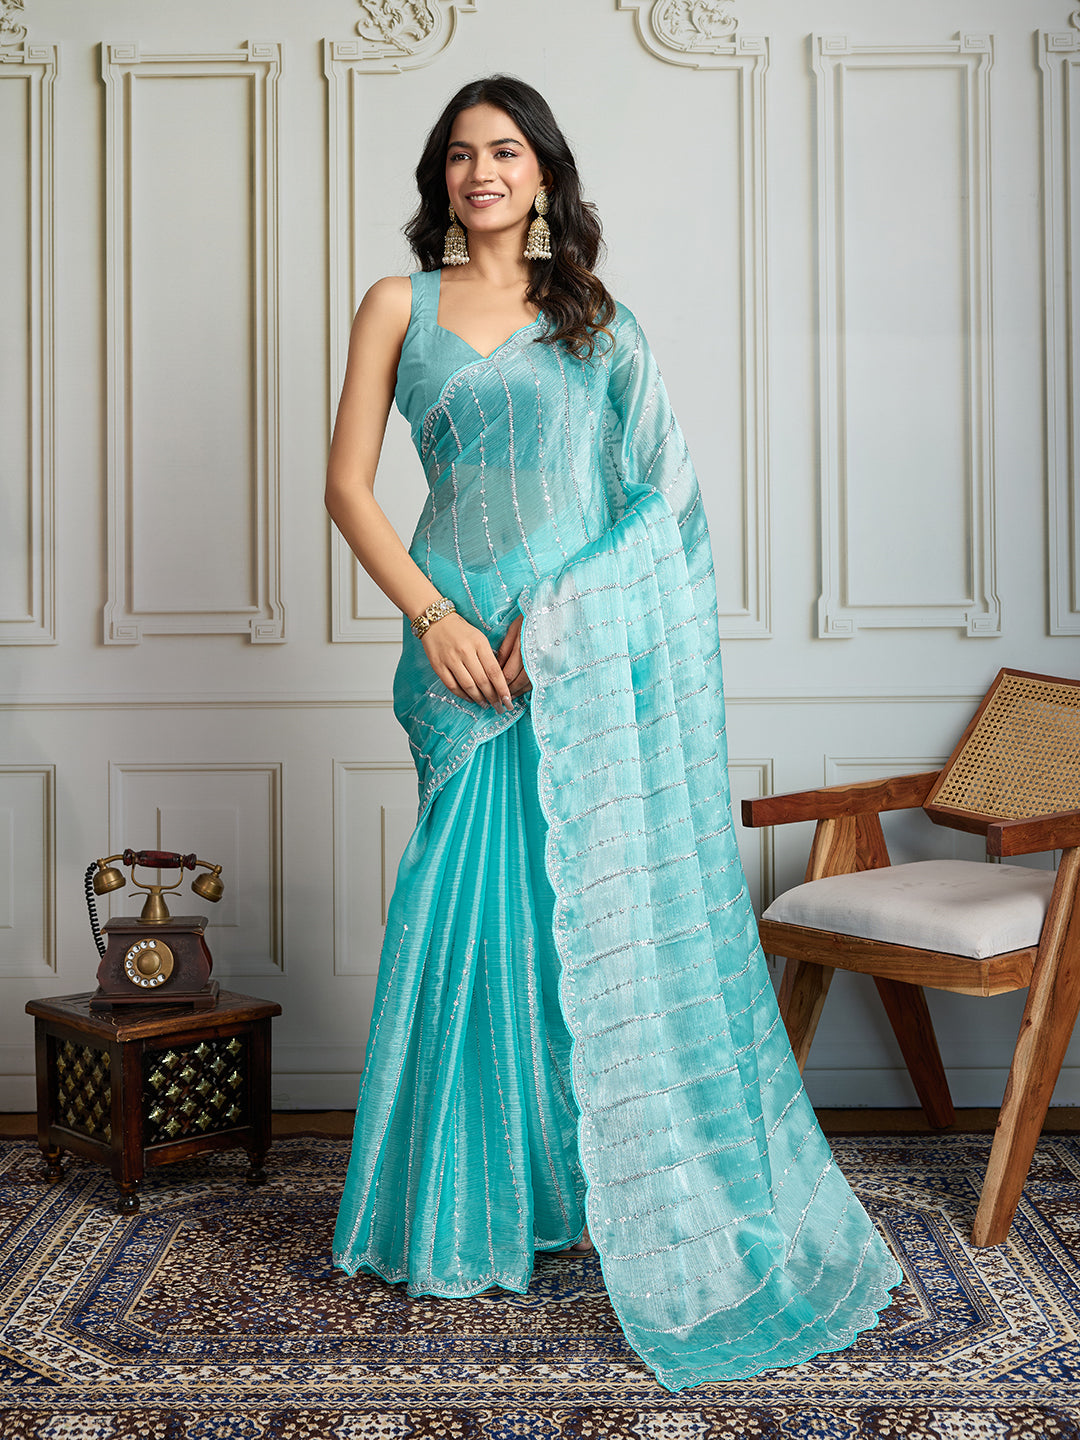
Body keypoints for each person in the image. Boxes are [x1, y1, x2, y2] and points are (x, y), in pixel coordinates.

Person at [326, 75, 902, 1393]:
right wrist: (434, 621)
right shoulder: (398, 306)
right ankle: (453, 1211)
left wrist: (566, 620)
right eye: (460, 153)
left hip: (578, 661)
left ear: (543, 173)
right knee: (466, 917)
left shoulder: (597, 323)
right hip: (457, 657)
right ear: (440, 177)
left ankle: (571, 1190)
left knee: (572, 916)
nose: (481, 171)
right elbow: (348, 486)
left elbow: (663, 502)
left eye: (504, 150)